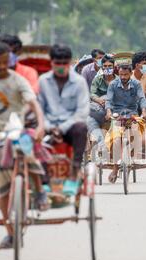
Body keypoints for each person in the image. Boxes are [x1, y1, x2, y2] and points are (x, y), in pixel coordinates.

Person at [0, 42, 48, 250]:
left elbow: (34, 105)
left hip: (16, 127)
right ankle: (9, 232)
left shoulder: (18, 80)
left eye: (4, 63)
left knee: (28, 146)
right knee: (1, 187)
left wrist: (41, 126)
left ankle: (40, 190)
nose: (0, 67)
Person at [38, 44, 90, 194]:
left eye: (64, 63)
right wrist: (48, 127)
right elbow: (39, 109)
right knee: (33, 133)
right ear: (52, 63)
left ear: (69, 63)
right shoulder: (43, 81)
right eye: (57, 63)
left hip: (70, 127)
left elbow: (82, 111)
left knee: (81, 128)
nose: (61, 67)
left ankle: (74, 173)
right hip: (48, 126)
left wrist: (61, 128)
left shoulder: (79, 82)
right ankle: (44, 180)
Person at [105, 64, 146, 183]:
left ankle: (130, 160)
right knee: (116, 139)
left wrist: (144, 111)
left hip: (132, 114)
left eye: (126, 74)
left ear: (130, 74)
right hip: (117, 115)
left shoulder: (136, 84)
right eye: (121, 74)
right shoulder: (113, 84)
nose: (123, 77)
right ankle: (115, 168)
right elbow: (108, 100)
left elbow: (141, 98)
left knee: (136, 136)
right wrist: (108, 112)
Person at [88, 54, 118, 154]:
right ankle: (100, 142)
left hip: (116, 109)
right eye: (105, 66)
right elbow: (92, 94)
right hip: (99, 108)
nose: (107, 68)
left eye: (110, 66)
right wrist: (99, 100)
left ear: (114, 67)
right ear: (102, 67)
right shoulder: (98, 80)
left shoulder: (118, 80)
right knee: (89, 118)